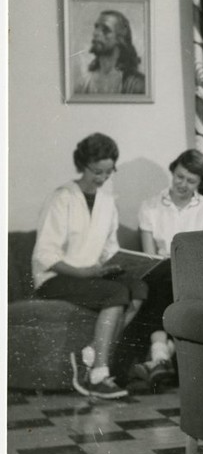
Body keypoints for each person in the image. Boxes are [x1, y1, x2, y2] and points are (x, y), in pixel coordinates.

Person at [32, 133, 147, 399]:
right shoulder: (62, 197)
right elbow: (45, 253)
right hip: (55, 278)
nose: (102, 179)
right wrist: (84, 272)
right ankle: (98, 374)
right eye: (97, 172)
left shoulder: (108, 202)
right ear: (82, 165)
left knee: (139, 288)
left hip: (90, 276)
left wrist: (118, 264)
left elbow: (108, 248)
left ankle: (92, 352)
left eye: (108, 173)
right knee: (115, 294)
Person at [125, 150, 203, 389]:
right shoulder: (149, 207)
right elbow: (149, 257)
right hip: (160, 274)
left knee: (168, 273)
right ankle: (162, 356)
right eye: (179, 177)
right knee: (162, 272)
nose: (183, 184)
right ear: (173, 171)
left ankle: (157, 354)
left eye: (191, 181)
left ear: (200, 183)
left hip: (195, 275)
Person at [76, 10, 145, 95]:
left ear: (120, 39)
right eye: (96, 27)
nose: (96, 33)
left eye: (105, 30)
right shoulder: (85, 83)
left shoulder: (136, 83)